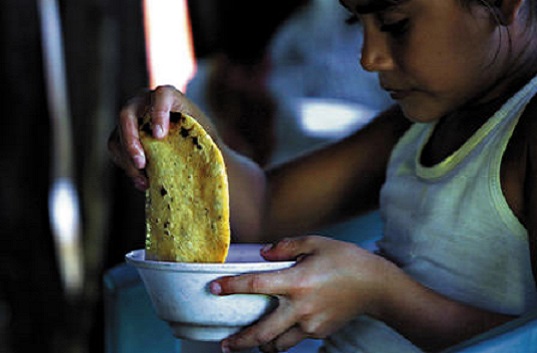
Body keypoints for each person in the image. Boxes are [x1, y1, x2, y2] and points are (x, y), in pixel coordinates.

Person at [108, 0, 537, 352]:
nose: (369, 57)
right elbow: (263, 209)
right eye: (358, 23)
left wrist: (378, 292)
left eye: (394, 23)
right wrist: (188, 131)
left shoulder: (525, 132)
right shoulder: (418, 123)